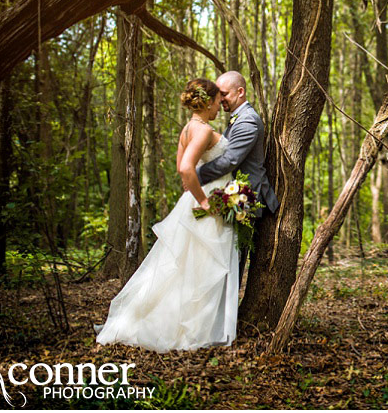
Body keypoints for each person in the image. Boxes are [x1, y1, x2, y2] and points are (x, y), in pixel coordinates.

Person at [95, 78, 239, 353]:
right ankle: (192, 327)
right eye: (218, 101)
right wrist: (204, 201)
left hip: (196, 200)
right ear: (208, 102)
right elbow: (186, 168)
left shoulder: (188, 129)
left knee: (189, 266)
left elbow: (179, 165)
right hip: (203, 204)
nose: (221, 106)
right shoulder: (204, 131)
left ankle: (193, 321)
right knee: (201, 267)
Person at [197, 71, 279, 281]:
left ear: (240, 92)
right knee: (224, 260)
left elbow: (230, 161)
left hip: (245, 200)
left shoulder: (247, 121)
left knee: (233, 263)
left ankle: (228, 312)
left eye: (223, 93)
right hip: (231, 197)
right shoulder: (237, 119)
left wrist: (196, 175)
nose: (219, 99)